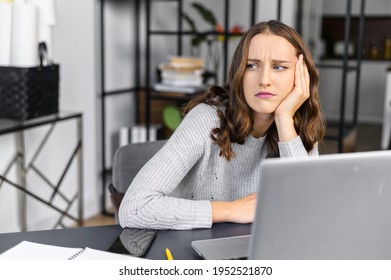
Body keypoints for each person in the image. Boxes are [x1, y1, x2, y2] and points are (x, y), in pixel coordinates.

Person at [119, 20, 325, 230]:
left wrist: (284, 118)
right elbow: (133, 208)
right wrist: (231, 210)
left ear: (301, 76)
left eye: (279, 67)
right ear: (239, 74)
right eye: (251, 65)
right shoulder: (206, 119)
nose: (264, 80)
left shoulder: (296, 126)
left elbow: (307, 213)